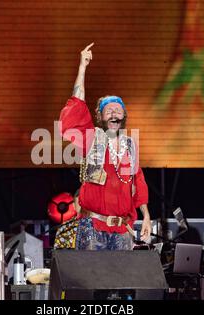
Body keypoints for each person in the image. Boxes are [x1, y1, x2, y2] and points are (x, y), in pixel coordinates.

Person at [59, 43, 152, 250]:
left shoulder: (130, 146)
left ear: (124, 117)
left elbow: (138, 183)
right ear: (100, 117)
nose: (113, 114)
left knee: (121, 282)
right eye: (108, 110)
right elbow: (76, 105)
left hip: (123, 231)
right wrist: (82, 68)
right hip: (93, 228)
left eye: (118, 110)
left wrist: (146, 216)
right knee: (92, 281)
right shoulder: (91, 138)